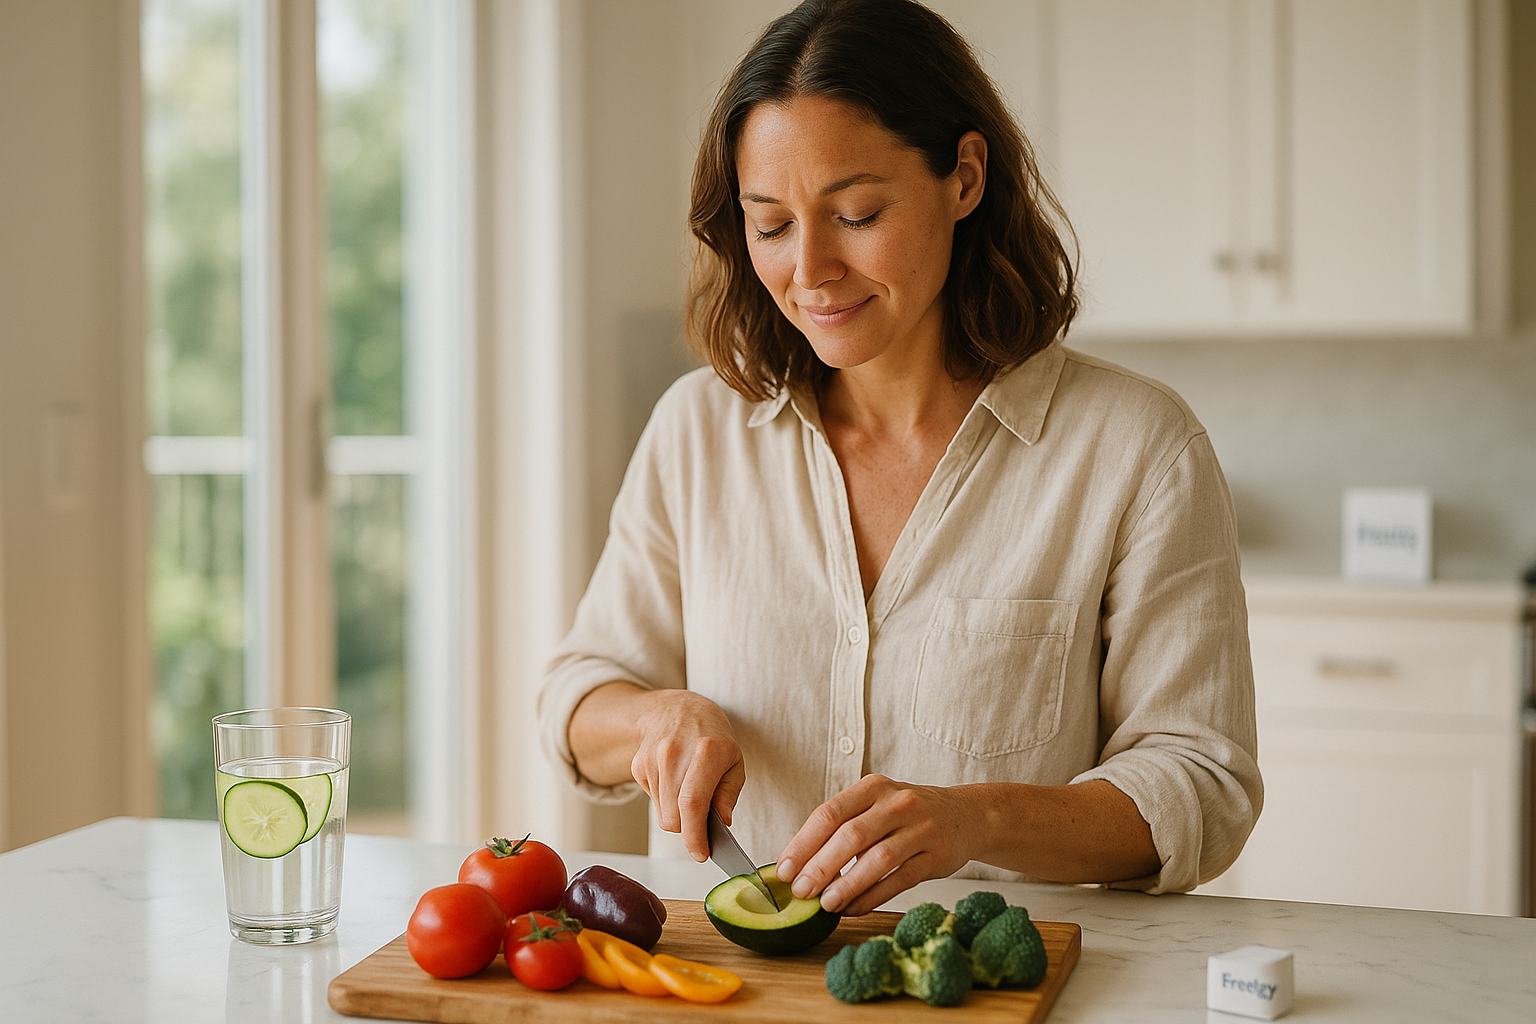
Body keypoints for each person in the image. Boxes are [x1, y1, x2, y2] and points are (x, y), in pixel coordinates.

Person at [538, 0, 1260, 915]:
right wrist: (655, 718)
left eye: (857, 212)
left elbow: (1205, 784)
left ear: (964, 177)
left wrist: (974, 821)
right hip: (744, 996)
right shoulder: (696, 431)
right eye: (770, 226)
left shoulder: (1137, 448)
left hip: (1001, 997)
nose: (811, 269)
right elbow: (574, 698)